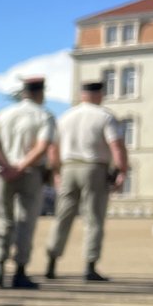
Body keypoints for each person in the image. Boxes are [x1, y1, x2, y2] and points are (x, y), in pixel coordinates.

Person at [43, 80, 129, 282]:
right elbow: (116, 146)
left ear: (82, 95)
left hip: (68, 168)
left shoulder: (66, 117)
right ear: (99, 95)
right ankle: (90, 265)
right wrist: (121, 171)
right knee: (94, 218)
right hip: (94, 167)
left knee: (63, 216)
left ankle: (52, 261)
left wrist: (56, 173)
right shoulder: (105, 116)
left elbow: (53, 149)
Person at [0, 76, 56, 289]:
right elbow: (42, 147)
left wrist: (5, 165)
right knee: (26, 221)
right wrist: (21, 167)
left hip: (4, 172)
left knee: (4, 219)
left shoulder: (4, 114)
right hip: (29, 172)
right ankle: (20, 271)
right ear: (40, 93)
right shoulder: (44, 115)